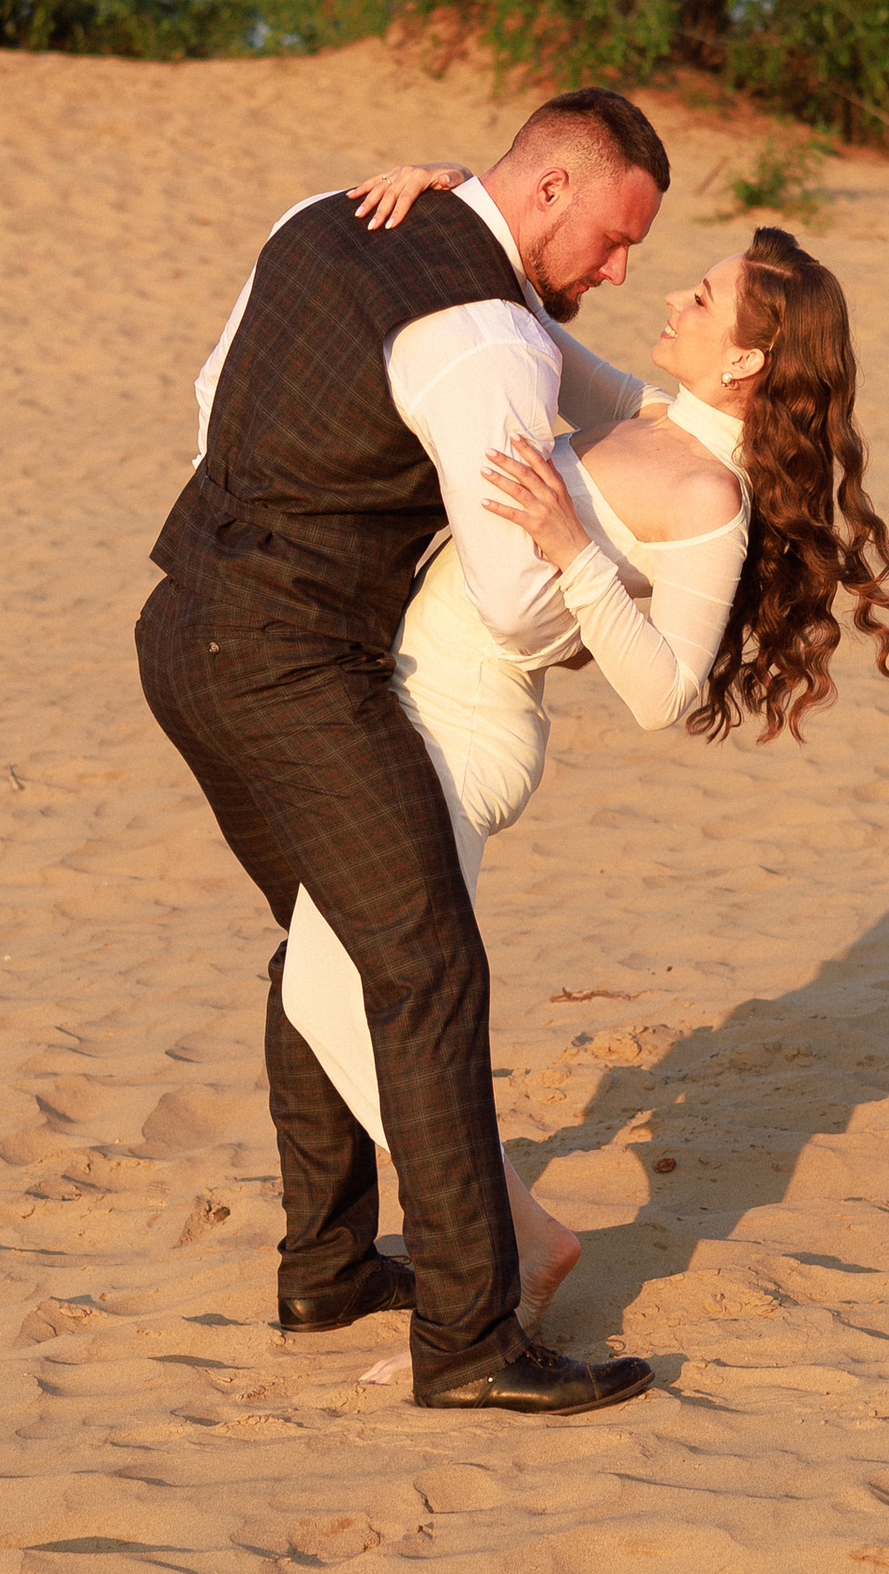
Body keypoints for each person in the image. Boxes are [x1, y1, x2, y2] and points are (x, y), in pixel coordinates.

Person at [283, 170, 889, 1322]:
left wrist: (571, 553)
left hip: (467, 735)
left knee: (366, 1000)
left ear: (747, 363)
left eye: (702, 299)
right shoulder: (642, 418)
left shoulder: (707, 495)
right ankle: (509, 1238)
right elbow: (522, 325)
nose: (672, 297)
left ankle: (508, 1259)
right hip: (408, 703)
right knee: (323, 993)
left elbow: (666, 691)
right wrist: (450, 191)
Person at [136, 88, 675, 1416]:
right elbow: (511, 600)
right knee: (426, 965)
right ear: (547, 189)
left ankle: (325, 1265)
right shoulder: (491, 335)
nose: (615, 271)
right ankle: (472, 1340)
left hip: (181, 628)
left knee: (329, 934)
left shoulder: (324, 217)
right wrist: (592, 570)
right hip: (294, 666)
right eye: (610, 241)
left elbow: (214, 405)